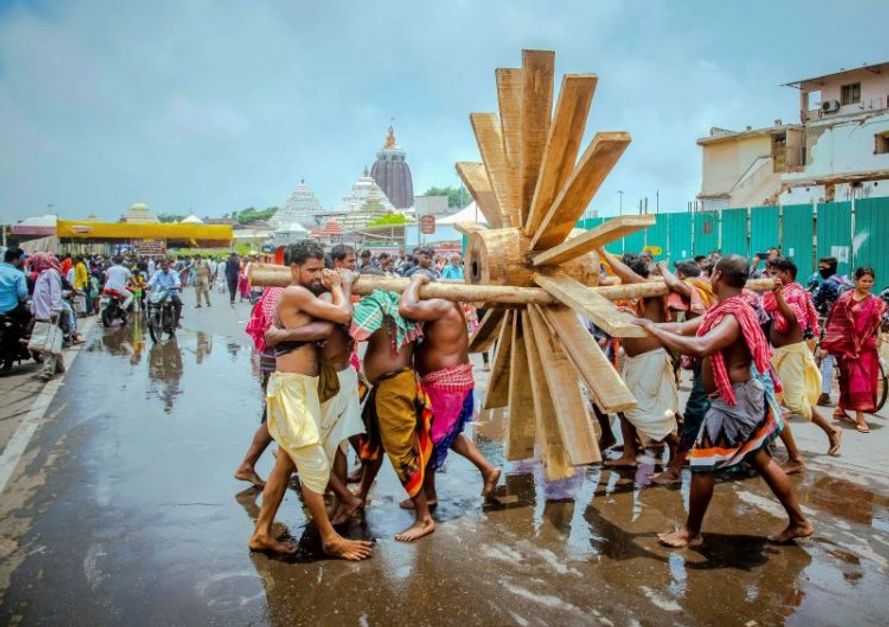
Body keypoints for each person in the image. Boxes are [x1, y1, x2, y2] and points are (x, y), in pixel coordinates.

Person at [633, 255, 813, 548]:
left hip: (735, 402)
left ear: (717, 275)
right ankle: (800, 522)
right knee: (760, 459)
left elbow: (702, 345)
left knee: (703, 465)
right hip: (739, 398)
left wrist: (653, 330)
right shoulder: (725, 309)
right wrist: (642, 325)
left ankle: (692, 532)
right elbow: (682, 330)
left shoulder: (733, 316)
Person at [248, 241, 372, 560]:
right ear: (294, 269)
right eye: (312, 269)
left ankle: (261, 533)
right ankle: (329, 538)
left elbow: (325, 327)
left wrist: (285, 335)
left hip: (301, 386)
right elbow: (342, 313)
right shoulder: (295, 293)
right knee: (314, 461)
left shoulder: (304, 297)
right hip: (292, 388)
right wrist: (341, 283)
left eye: (321, 269)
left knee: (287, 461)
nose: (318, 275)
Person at [398, 273, 501, 509]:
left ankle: (481, 471)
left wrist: (415, 280)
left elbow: (406, 308)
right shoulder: (442, 304)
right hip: (446, 381)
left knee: (432, 437)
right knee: (441, 435)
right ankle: (483, 471)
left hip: (446, 384)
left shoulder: (441, 303)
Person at [350, 288, 434, 542]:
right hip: (386, 386)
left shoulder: (380, 310)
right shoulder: (395, 311)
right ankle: (360, 497)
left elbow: (353, 329)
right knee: (373, 443)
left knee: (400, 451)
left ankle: (424, 518)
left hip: (395, 386)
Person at [598, 249, 678, 468]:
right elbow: (604, 282)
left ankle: (676, 445)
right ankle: (629, 454)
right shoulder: (625, 289)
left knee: (643, 411)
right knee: (626, 407)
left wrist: (602, 251)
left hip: (650, 359)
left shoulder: (651, 287)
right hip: (634, 360)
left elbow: (628, 276)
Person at [764, 258, 842, 468]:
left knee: (795, 403)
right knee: (772, 400)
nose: (771, 277)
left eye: (775, 273)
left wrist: (778, 294)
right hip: (778, 353)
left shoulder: (795, 292)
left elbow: (791, 318)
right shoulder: (780, 291)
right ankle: (769, 441)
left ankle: (831, 430)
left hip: (792, 354)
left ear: (787, 274)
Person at [822, 267, 886, 434]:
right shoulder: (845, 300)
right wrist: (827, 346)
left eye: (870, 281)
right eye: (864, 281)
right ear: (856, 280)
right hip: (845, 346)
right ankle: (841, 408)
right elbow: (835, 323)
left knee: (860, 380)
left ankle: (860, 417)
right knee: (846, 379)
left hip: (866, 347)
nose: (867, 284)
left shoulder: (876, 302)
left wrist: (879, 336)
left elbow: (877, 322)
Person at [808, 257, 852, 406]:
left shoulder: (827, 283)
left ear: (830, 267)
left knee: (827, 356)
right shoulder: (843, 280)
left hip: (834, 324)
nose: (821, 270)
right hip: (850, 324)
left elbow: (816, 303)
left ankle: (825, 393)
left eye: (823, 267)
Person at [30, 253, 66, 381]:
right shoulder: (41, 274)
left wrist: (55, 310)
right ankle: (60, 366)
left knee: (48, 344)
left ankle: (48, 371)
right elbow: (36, 294)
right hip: (42, 313)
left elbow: (56, 293)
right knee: (50, 341)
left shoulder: (51, 273)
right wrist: (33, 309)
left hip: (50, 313)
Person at [147, 258, 183, 326]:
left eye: (166, 265)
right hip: (159, 294)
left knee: (178, 302)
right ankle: (150, 318)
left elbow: (177, 280)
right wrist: (148, 285)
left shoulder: (173, 273)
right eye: (162, 265)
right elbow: (152, 280)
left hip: (171, 293)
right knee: (149, 301)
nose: (164, 267)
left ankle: (176, 321)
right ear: (160, 266)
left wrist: (177, 285)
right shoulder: (158, 273)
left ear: (169, 265)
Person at [0, 247, 29, 325]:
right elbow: (23, 294)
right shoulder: (18, 274)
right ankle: (25, 334)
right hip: (11, 308)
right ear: (16, 260)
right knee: (28, 313)